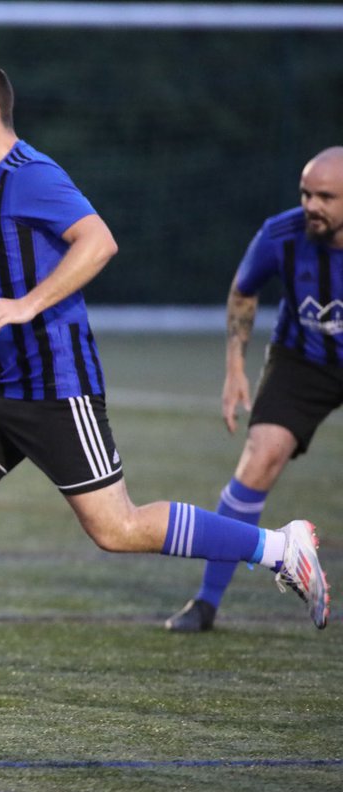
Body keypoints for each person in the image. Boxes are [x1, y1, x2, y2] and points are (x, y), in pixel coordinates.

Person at [0, 61, 329, 686]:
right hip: (2, 381)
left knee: (117, 528)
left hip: (55, 383)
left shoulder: (31, 174)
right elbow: (22, 262)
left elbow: (98, 242)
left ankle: (278, 547)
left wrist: (24, 306)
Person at [165, 147, 343, 633]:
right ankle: (206, 602)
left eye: (326, 196)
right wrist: (235, 368)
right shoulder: (281, 233)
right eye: (306, 193)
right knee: (259, 458)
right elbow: (244, 292)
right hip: (302, 360)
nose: (312, 205)